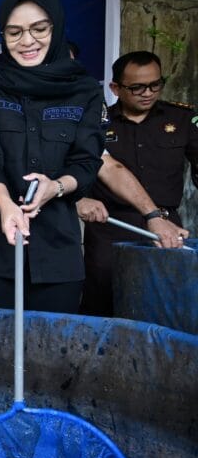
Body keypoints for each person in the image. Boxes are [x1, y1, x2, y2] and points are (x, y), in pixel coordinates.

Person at [0, 0, 104, 313]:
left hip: (56, 249)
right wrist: (6, 204)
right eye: (14, 32)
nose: (27, 41)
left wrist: (56, 187)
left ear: (56, 28)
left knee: (51, 351)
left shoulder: (85, 90)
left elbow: (86, 162)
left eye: (38, 29)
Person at [76, 50, 197, 316]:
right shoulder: (95, 124)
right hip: (111, 229)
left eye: (155, 84)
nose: (148, 93)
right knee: (104, 306)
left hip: (166, 229)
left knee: (164, 309)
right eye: (137, 87)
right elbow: (79, 169)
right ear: (115, 88)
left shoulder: (181, 119)